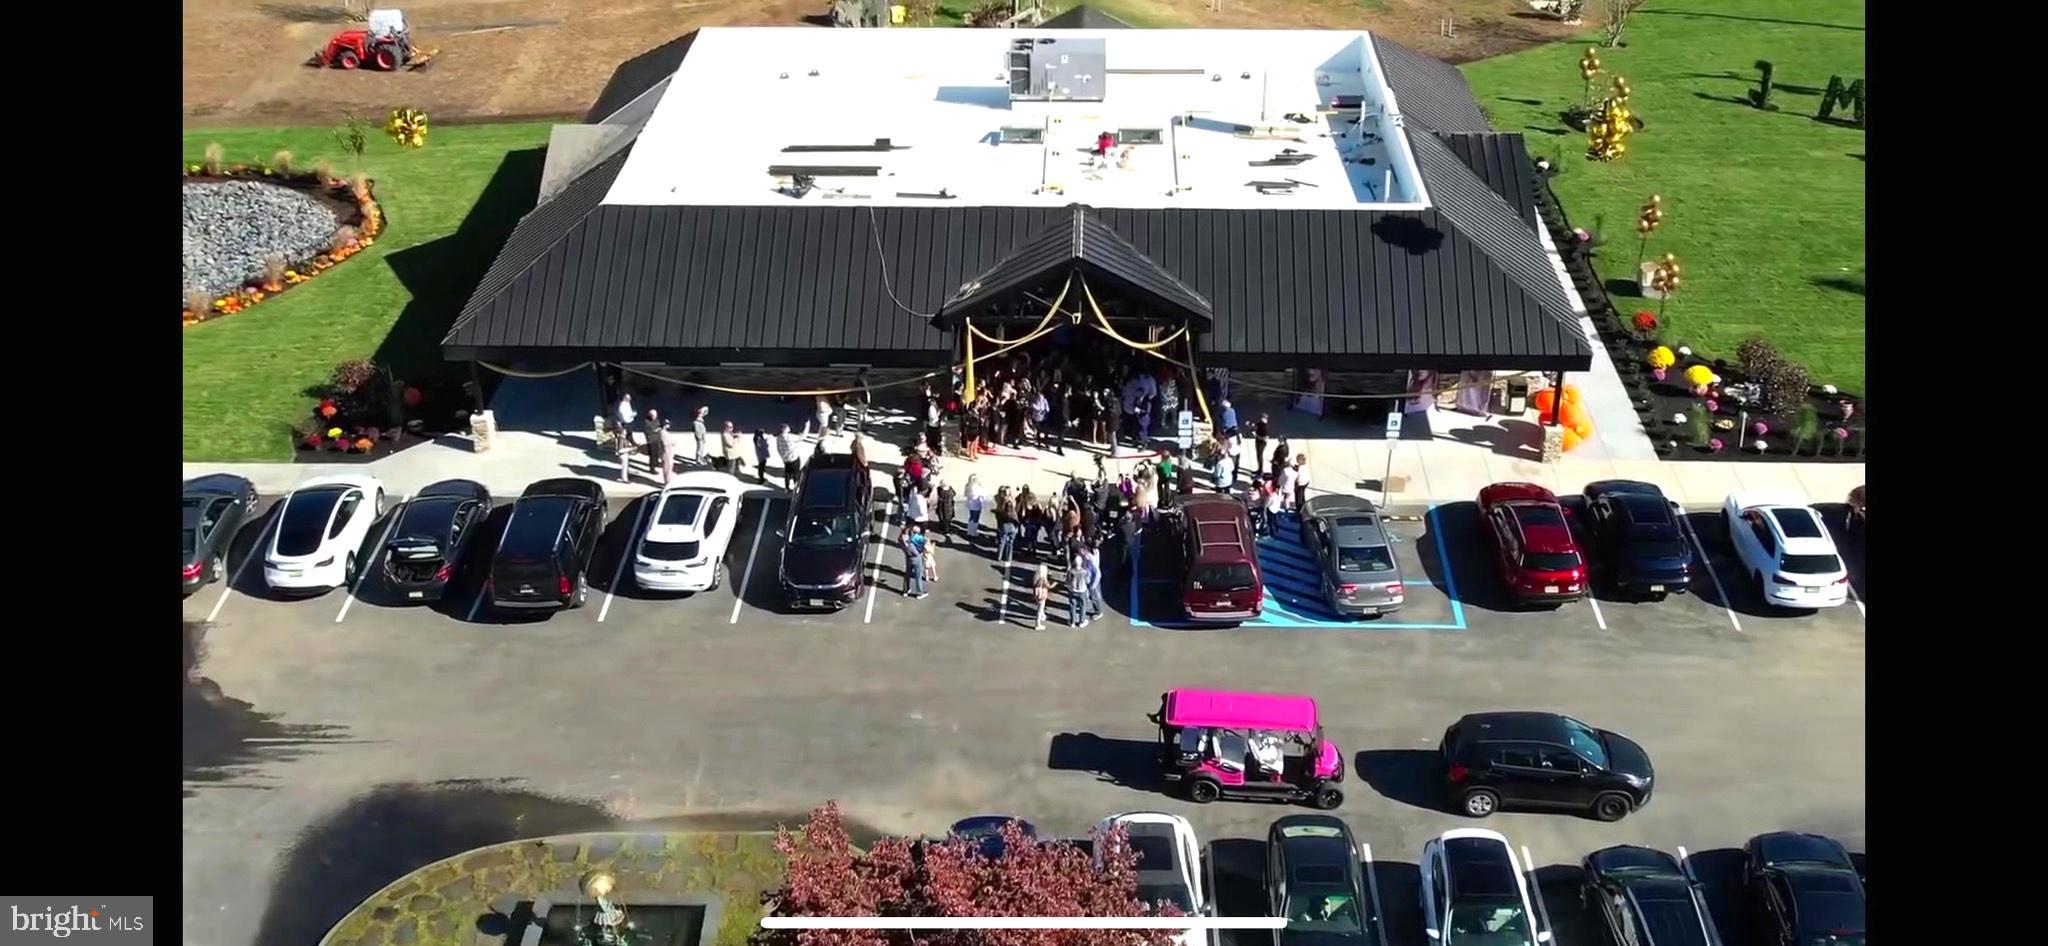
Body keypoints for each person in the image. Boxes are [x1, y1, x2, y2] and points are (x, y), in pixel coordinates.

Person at [642, 409, 670, 484]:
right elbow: (647, 431)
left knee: (657, 453)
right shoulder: (647, 422)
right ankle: (652, 468)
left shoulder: (657, 420)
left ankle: (656, 463)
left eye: (655, 416)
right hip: (651, 440)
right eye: (653, 416)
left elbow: (660, 424)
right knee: (652, 455)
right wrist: (655, 430)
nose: (655, 417)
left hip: (657, 439)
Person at [902, 525, 928, 598]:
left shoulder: (902, 539)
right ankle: (919, 593)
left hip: (908, 558)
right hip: (916, 559)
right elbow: (917, 553)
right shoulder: (911, 543)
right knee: (918, 576)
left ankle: (905, 590)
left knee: (907, 574)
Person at [776, 423, 804, 488]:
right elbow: (800, 438)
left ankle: (787, 487)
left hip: (786, 459)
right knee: (796, 473)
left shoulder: (778, 438)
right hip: (794, 458)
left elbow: (778, 448)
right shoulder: (789, 437)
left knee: (787, 473)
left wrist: (783, 457)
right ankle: (796, 486)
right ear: (785, 429)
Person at [995, 490, 1019, 564]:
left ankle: (999, 556)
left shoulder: (1001, 507)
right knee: (1010, 543)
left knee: (1002, 541)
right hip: (1012, 525)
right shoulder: (1012, 509)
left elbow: (999, 516)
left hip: (1004, 525)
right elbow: (1015, 518)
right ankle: (1008, 558)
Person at [964, 474, 988, 543]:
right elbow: (982, 494)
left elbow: (965, 494)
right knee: (975, 519)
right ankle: (973, 532)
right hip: (976, 504)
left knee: (971, 518)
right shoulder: (976, 487)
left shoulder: (968, 485)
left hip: (970, 504)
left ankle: (969, 531)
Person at [935, 476, 957, 547]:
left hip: (940, 506)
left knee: (941, 517)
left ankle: (941, 528)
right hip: (948, 506)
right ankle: (946, 530)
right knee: (947, 519)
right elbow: (954, 494)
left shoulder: (939, 489)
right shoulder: (949, 491)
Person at [1031, 562, 1052, 629]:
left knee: (1039, 606)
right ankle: (1038, 624)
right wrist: (1054, 584)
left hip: (1036, 594)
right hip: (1042, 595)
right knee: (1040, 609)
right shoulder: (1043, 579)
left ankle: (1042, 615)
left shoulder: (1036, 577)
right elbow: (1048, 586)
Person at [1253, 412, 1271, 479]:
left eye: (1262, 417)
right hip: (1258, 441)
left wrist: (1257, 436)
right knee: (1258, 455)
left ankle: (1260, 471)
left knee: (1260, 456)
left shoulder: (1265, 427)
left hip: (1261, 443)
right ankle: (1258, 470)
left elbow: (1266, 438)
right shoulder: (1260, 423)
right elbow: (1255, 425)